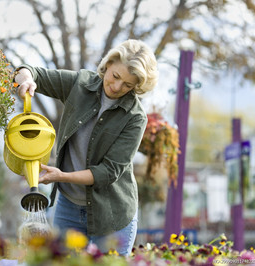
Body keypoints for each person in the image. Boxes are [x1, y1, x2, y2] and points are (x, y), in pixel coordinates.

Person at [14, 39, 158, 255]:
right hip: (68, 207)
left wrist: (62, 176)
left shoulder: (135, 117)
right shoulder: (79, 85)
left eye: (128, 85)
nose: (117, 87)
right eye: (115, 76)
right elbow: (31, 72)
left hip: (112, 214)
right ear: (108, 64)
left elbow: (108, 172)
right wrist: (26, 80)